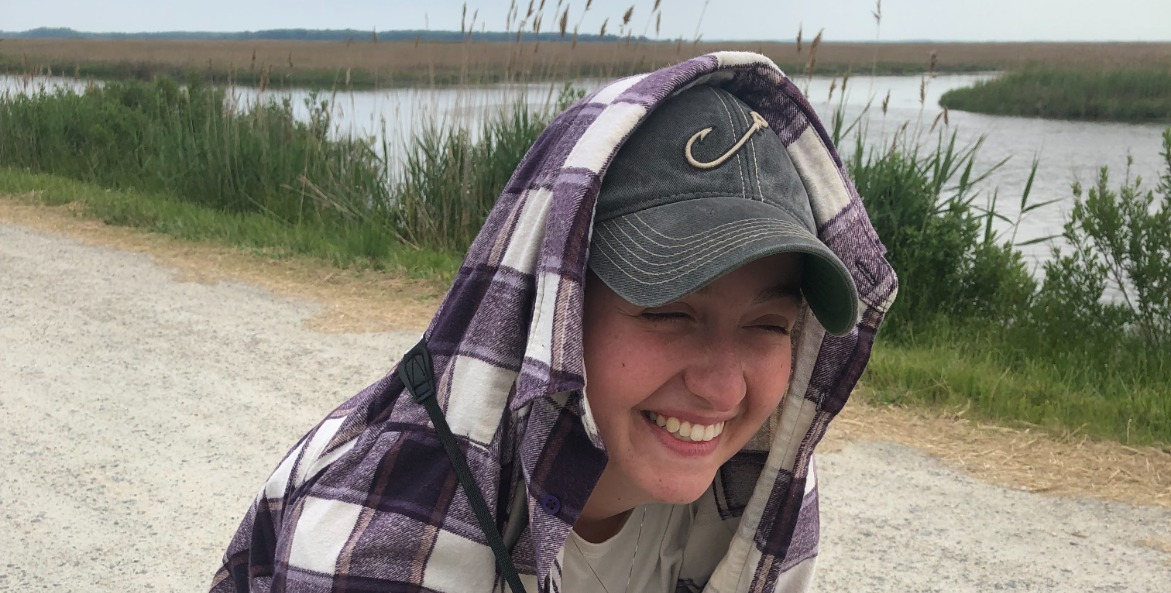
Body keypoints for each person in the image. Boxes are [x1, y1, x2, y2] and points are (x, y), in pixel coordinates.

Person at [211, 52, 897, 593]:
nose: (721, 389)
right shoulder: (375, 538)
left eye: (767, 324)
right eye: (669, 311)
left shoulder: (763, 487)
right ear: (552, 308)